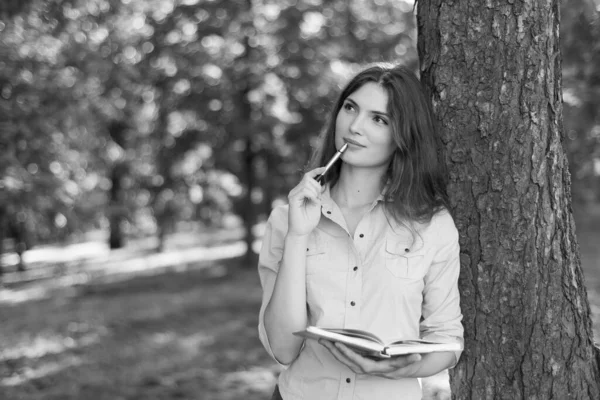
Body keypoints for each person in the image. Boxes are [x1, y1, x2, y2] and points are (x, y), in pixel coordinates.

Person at [257, 63, 463, 400]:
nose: (355, 126)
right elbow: (283, 348)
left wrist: (398, 369)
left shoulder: (432, 223)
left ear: (403, 137)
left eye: (379, 119)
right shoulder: (286, 220)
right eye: (350, 108)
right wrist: (298, 236)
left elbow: (447, 337)